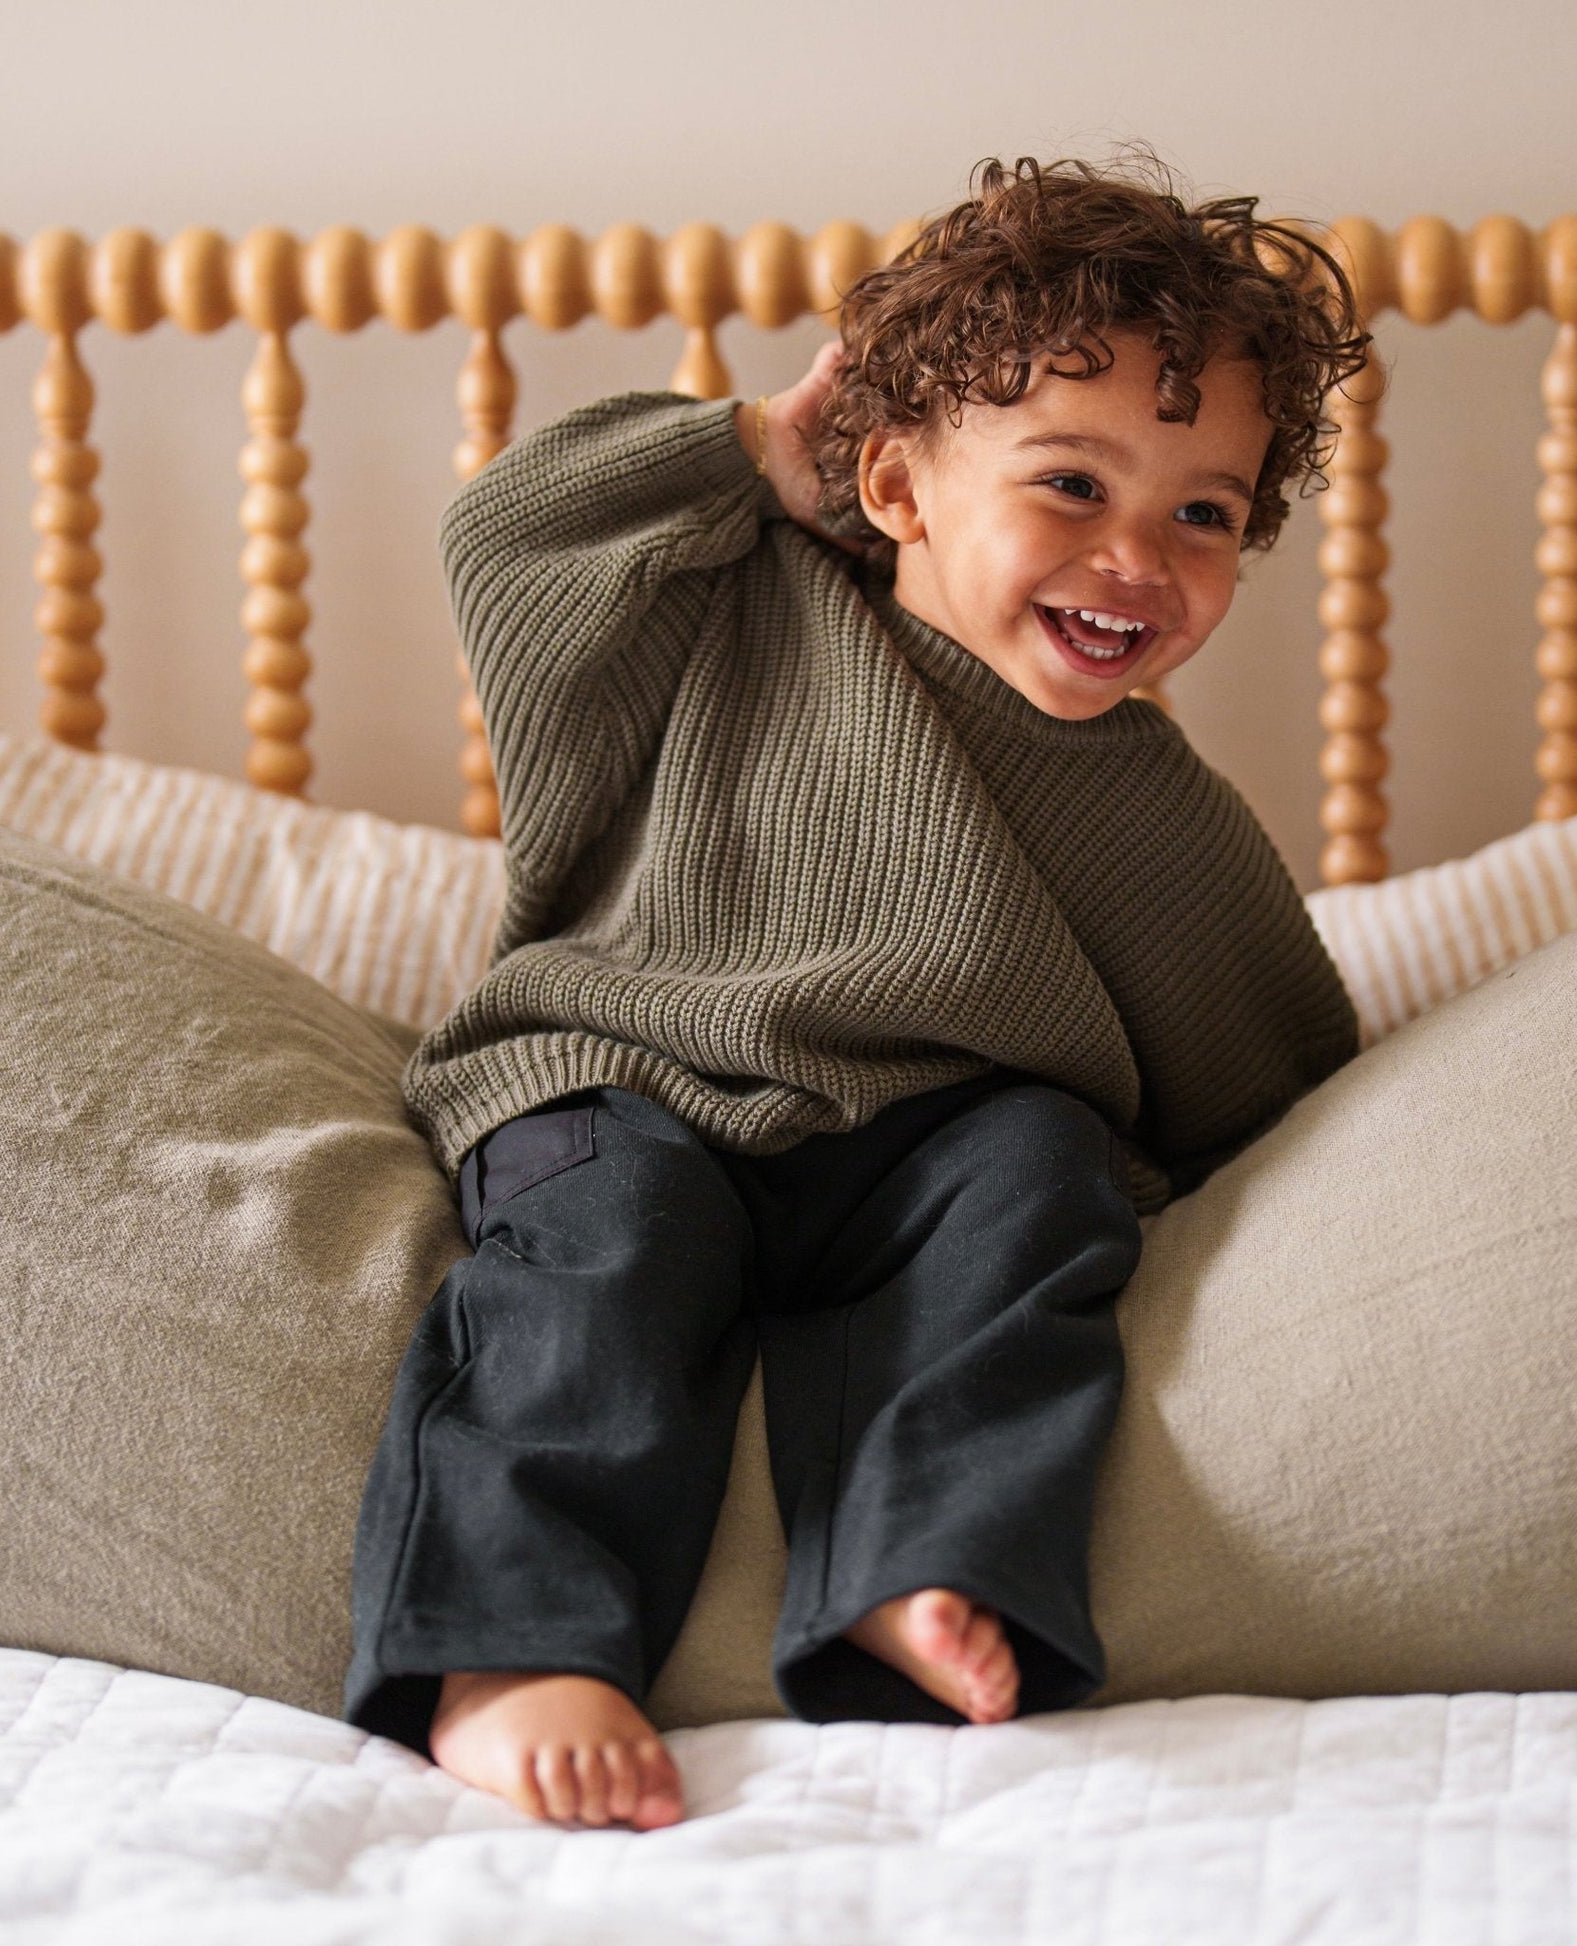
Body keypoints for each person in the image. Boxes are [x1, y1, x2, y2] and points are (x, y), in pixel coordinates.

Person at [345, 154, 1369, 1831]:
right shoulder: (718, 604)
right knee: (601, 1263)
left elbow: (1268, 1066)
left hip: (918, 1146)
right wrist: (753, 451)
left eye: (1201, 512)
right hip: (621, 1076)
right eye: (1067, 483)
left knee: (1036, 1186)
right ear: (893, 484)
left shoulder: (1156, 810)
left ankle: (921, 1565)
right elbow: (508, 532)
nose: (1135, 557)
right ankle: (502, 1646)